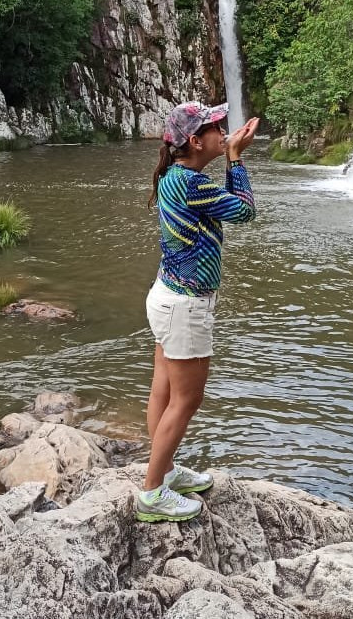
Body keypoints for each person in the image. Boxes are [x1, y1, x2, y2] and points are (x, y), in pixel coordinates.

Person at [136, 101, 259, 523]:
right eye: (216, 128)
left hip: (166, 296)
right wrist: (236, 159)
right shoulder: (191, 183)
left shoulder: (174, 177)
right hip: (185, 305)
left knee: (163, 392)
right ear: (195, 140)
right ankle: (152, 492)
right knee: (187, 399)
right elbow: (245, 211)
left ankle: (165, 470)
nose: (223, 132)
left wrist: (227, 153)